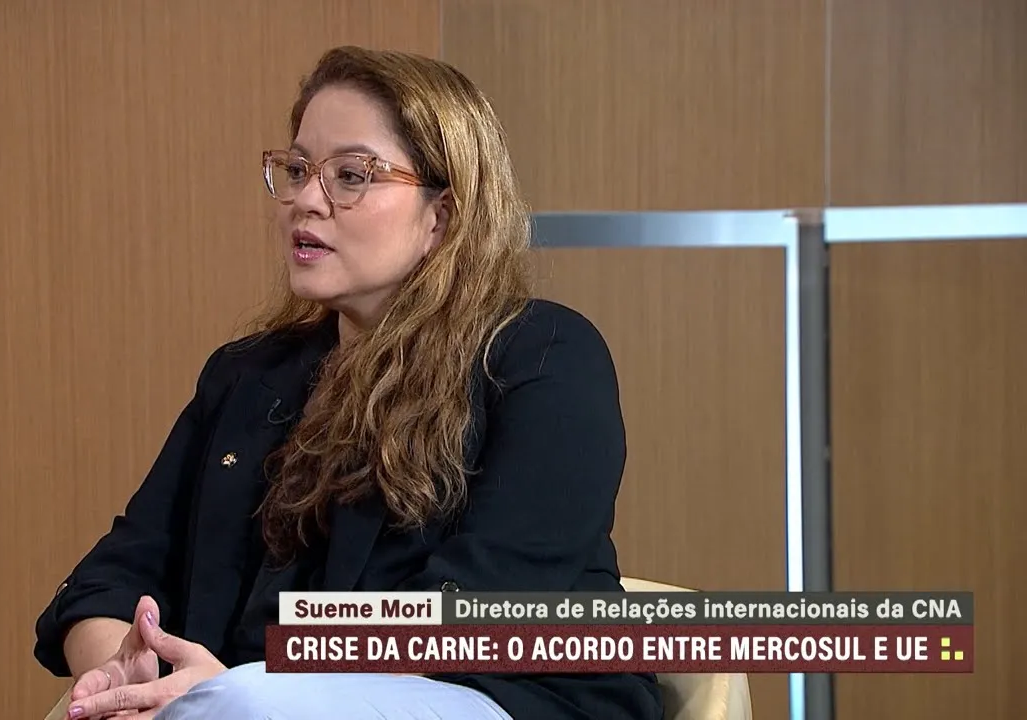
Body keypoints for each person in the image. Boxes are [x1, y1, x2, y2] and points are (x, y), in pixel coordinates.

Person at [33, 45, 663, 720]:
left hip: (499, 698)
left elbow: (475, 605)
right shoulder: (246, 375)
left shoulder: (545, 355)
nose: (307, 200)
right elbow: (113, 575)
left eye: (352, 176)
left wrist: (245, 690)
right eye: (298, 170)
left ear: (442, 215)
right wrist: (118, 672)